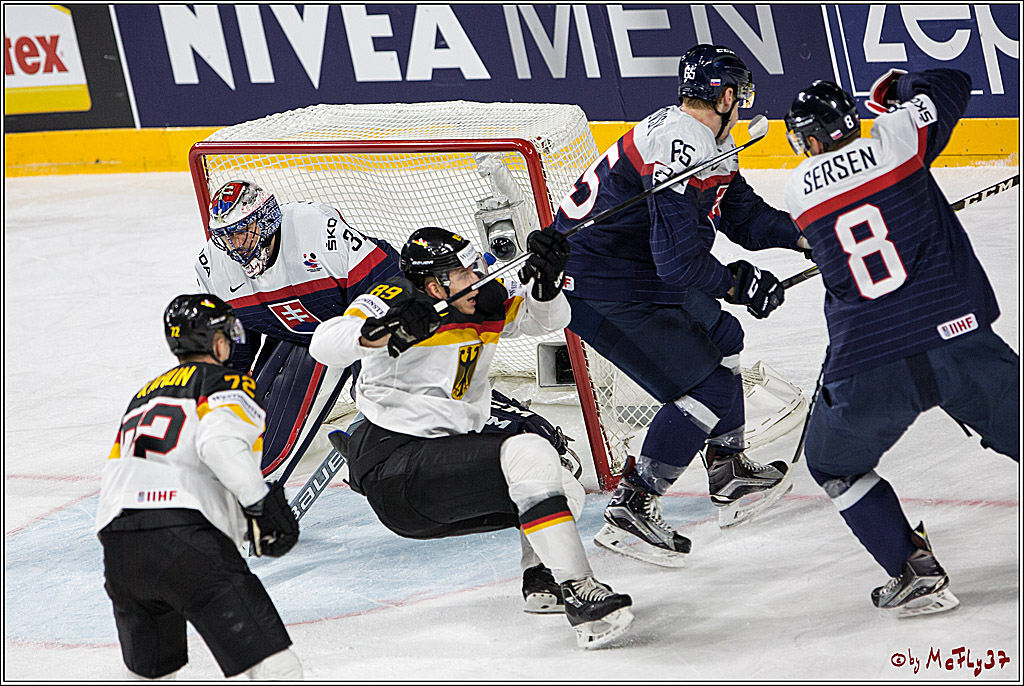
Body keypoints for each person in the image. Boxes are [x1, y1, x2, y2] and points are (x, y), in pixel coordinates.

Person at [308, 226, 634, 649]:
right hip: (395, 468)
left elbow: (550, 319)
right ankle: (581, 591)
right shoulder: (390, 299)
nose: (478, 275)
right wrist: (386, 330)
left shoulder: (483, 301)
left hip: (441, 466)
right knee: (529, 450)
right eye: (464, 272)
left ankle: (544, 580)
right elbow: (324, 344)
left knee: (559, 479)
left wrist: (547, 284)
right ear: (433, 284)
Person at [550, 44, 811, 565]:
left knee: (726, 338)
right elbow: (679, 264)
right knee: (708, 387)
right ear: (730, 95)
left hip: (632, 274)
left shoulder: (695, 137)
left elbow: (745, 216)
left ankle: (728, 470)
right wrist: (738, 284)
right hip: (602, 287)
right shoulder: (681, 144)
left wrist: (809, 235)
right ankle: (634, 507)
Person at [782, 72, 1019, 616]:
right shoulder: (898, 140)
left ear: (811, 140)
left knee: (833, 465)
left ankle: (912, 570)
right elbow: (953, 84)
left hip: (871, 360)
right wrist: (902, 94)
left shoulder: (797, 190)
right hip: (959, 340)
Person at [95, 294, 302, 679]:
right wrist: (259, 506)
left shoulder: (143, 394)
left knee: (152, 674)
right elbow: (220, 445)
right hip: (184, 540)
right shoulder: (226, 381)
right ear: (216, 341)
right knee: (275, 665)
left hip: (119, 548)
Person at [195, 179, 403, 483]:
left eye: (241, 232)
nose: (234, 246)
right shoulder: (213, 267)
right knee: (261, 442)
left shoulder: (316, 230)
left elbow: (385, 283)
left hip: (360, 321)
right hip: (297, 335)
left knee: (381, 396)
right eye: (226, 236)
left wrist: (367, 368)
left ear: (266, 220)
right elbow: (234, 348)